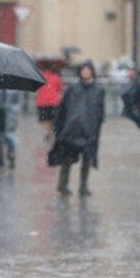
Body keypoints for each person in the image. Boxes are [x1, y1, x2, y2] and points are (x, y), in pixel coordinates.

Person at [47, 60, 105, 197]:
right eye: (83, 70)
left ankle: (83, 186)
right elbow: (63, 109)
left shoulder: (98, 90)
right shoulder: (73, 89)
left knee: (86, 159)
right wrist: (61, 126)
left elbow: (99, 111)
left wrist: (96, 126)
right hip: (72, 130)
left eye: (88, 69)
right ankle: (63, 185)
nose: (85, 72)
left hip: (88, 130)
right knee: (67, 159)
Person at [35, 67, 63, 141]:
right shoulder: (56, 77)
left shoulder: (40, 76)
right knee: (52, 118)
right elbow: (60, 88)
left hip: (42, 101)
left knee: (44, 119)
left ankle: (47, 132)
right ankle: (50, 131)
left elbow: (36, 87)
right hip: (53, 101)